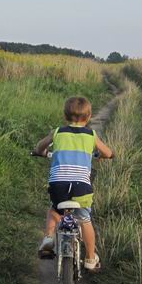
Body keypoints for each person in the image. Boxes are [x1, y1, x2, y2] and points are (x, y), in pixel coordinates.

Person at [33, 95, 113, 271]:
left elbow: (40, 147)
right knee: (84, 220)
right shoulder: (91, 135)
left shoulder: (58, 132)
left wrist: (41, 151)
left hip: (58, 186)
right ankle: (91, 258)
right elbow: (107, 153)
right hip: (81, 187)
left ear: (64, 117)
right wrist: (103, 155)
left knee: (54, 211)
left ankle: (48, 241)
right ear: (89, 117)